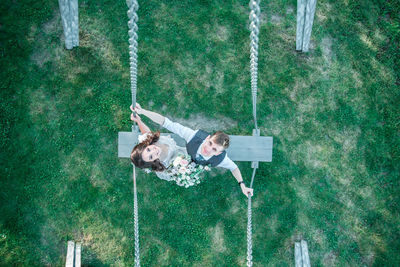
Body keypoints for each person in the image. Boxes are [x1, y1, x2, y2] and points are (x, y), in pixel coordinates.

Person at [130, 104, 254, 197]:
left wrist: (242, 186)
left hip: (183, 155)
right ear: (207, 138)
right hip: (174, 165)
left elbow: (233, 167)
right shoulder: (193, 137)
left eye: (214, 149)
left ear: (219, 152)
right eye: (209, 143)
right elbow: (167, 123)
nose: (208, 149)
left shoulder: (219, 158)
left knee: (147, 138)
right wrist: (142, 112)